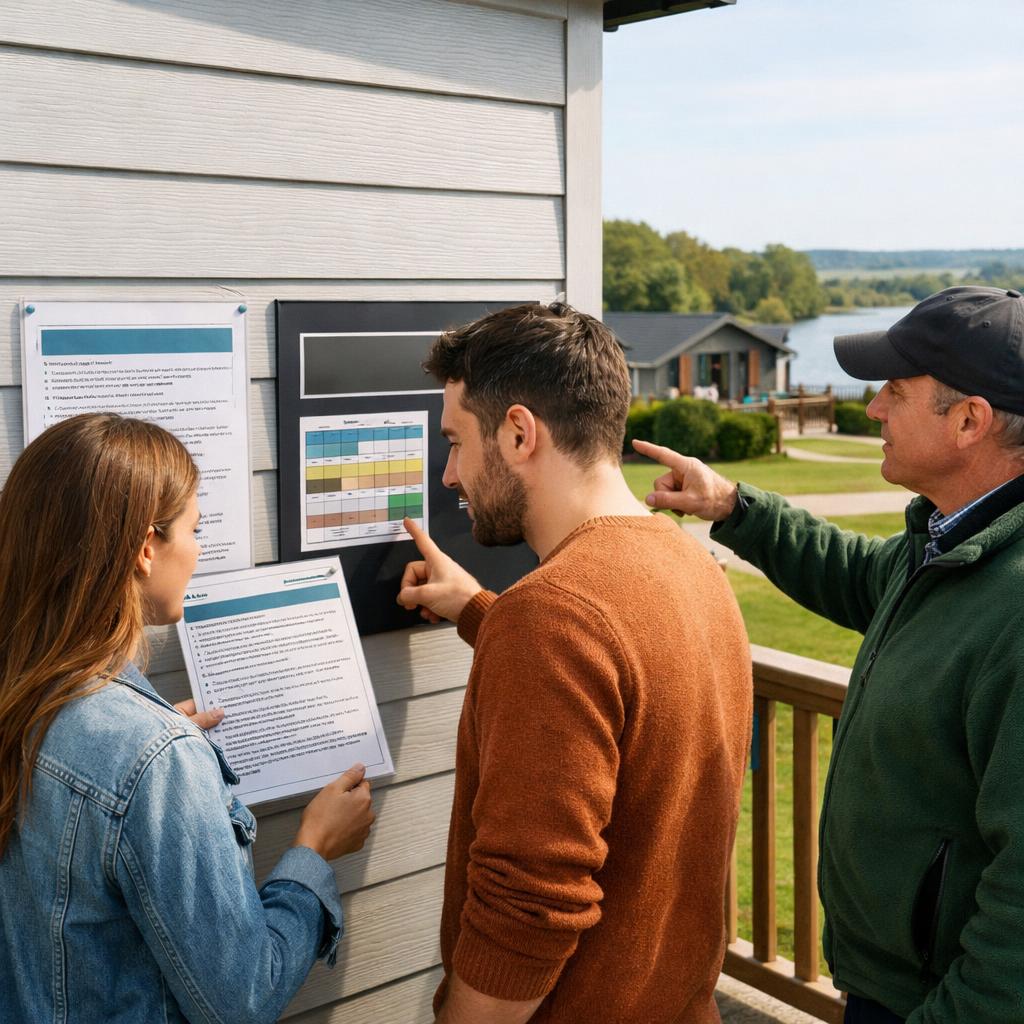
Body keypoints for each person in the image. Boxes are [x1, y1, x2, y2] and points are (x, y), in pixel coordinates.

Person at [637, 286, 1024, 1024]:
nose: (873, 408)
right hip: (884, 983)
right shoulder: (944, 544)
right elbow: (850, 571)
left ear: (969, 420)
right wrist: (734, 507)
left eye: (895, 392)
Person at [397, 302, 752, 1024]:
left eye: (457, 442)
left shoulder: (554, 619)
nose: (448, 474)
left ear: (520, 433)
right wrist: (478, 611)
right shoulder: (695, 569)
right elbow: (621, 695)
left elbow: (528, 913)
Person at [0, 413, 375, 1024]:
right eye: (195, 529)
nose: (199, 553)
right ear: (146, 548)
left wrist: (149, 756)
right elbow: (242, 999)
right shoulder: (155, 758)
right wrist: (314, 847)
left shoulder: (23, 695)